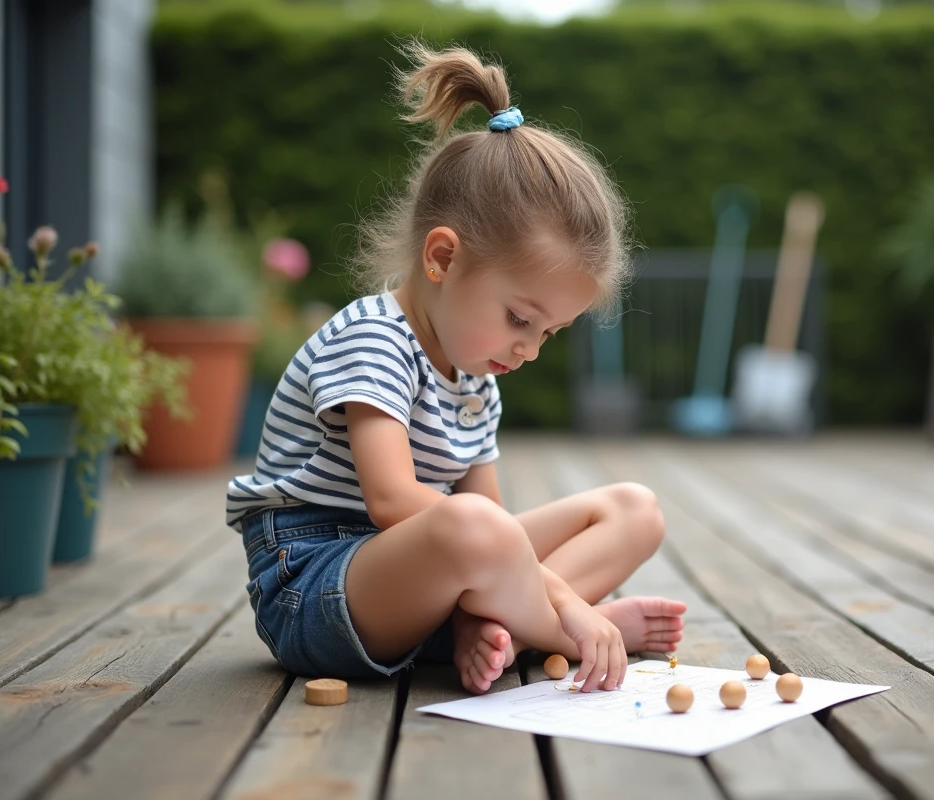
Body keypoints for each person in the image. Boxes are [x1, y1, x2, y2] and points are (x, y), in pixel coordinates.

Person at [226, 42, 686, 695]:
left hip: (432, 580)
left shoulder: (475, 375)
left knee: (635, 509)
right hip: (319, 590)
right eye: (521, 319)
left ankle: (498, 630)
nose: (530, 349)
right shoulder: (374, 339)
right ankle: (559, 633)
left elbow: (495, 535)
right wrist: (570, 604)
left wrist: (507, 585)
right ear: (442, 258)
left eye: (550, 332)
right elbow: (393, 504)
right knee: (474, 526)